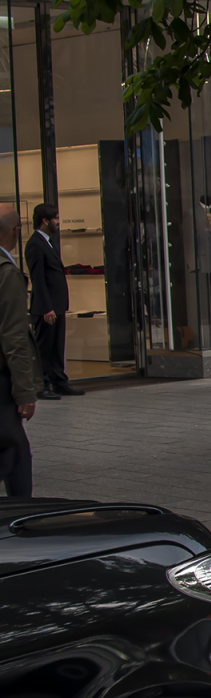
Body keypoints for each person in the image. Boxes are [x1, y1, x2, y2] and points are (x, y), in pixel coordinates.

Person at [0, 205, 42, 496]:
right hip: (1, 383)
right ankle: (21, 519)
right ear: (15, 232)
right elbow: (14, 336)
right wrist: (25, 391)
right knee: (15, 453)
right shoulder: (7, 274)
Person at [25, 203, 79, 400]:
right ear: (45, 221)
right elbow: (38, 278)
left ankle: (58, 381)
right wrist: (46, 307)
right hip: (47, 307)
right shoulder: (34, 244)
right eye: (55, 218)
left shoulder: (47, 242)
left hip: (56, 306)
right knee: (44, 347)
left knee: (56, 345)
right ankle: (42, 383)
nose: (58, 222)